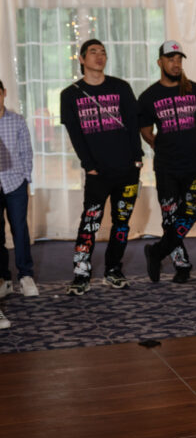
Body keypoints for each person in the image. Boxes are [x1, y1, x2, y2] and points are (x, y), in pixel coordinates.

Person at [60, 39, 143, 295]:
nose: (99, 56)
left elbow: (132, 124)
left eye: (103, 52)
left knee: (121, 224)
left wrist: (137, 158)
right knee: (90, 223)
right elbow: (75, 135)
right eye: (93, 52)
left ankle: (113, 270)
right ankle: (81, 273)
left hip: (127, 170)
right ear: (82, 59)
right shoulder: (70, 94)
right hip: (98, 173)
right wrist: (89, 165)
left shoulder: (121, 88)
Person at [138, 41, 196, 283]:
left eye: (179, 59)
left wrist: (183, 132)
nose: (176, 63)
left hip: (193, 166)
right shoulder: (149, 96)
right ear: (160, 62)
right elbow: (146, 130)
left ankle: (157, 251)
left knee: (190, 212)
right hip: (166, 167)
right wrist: (160, 142)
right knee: (170, 217)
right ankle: (182, 265)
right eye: (171, 59)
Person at [0, 79, 39, 326]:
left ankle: (25, 276)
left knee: (19, 229)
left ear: (3, 93)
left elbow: (26, 152)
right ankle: (4, 279)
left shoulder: (16, 121)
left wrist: (26, 177)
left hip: (14, 183)